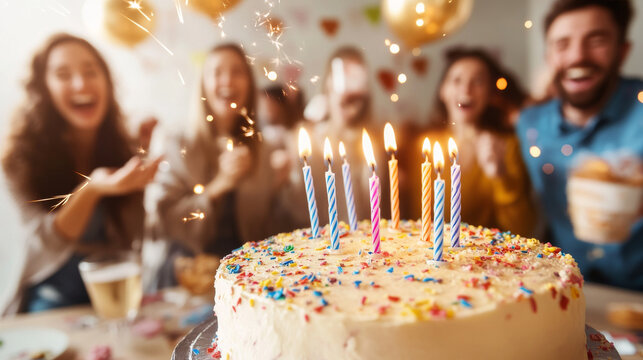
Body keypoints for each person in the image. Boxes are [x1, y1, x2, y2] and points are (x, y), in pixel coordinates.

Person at [1, 33, 160, 314]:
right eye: (63, 74)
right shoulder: (17, 161)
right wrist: (93, 189)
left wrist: (141, 158)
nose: (81, 83)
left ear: (107, 82)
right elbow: (43, 243)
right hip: (50, 296)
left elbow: (136, 235)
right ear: (43, 87)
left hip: (118, 287)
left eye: (90, 72)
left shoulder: (123, 146)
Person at [516, 0, 642, 290]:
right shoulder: (530, 123)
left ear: (622, 50)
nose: (577, 57)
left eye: (596, 41)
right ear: (548, 56)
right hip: (566, 291)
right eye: (562, 44)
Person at [154, 43, 294, 262]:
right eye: (216, 72)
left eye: (237, 72)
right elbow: (164, 224)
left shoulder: (262, 148)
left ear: (249, 84)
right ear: (203, 85)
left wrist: (278, 186)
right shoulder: (176, 143)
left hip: (245, 271)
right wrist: (219, 184)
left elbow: (269, 232)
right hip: (186, 270)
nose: (227, 80)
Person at [400, 47, 537, 236]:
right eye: (456, 80)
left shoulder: (508, 145)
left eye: (478, 81)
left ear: (490, 94)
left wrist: (501, 176)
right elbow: (415, 218)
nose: (466, 89)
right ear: (443, 90)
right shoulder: (421, 147)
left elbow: (523, 230)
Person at [294, 46, 389, 228]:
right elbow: (299, 205)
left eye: (355, 77)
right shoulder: (307, 138)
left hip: (361, 238)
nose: (347, 85)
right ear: (328, 81)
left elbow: (373, 206)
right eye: (341, 73)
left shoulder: (370, 143)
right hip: (318, 240)